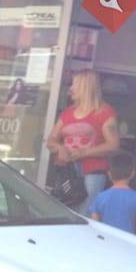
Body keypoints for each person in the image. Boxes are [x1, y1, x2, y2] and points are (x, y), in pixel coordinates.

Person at [46, 70, 119, 213]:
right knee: (63, 210)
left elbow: (113, 145)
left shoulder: (105, 112)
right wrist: (60, 148)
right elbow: (50, 141)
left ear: (86, 87)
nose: (71, 88)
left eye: (75, 84)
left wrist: (83, 153)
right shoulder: (68, 112)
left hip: (92, 171)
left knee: (85, 212)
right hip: (67, 170)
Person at [87, 150, 136, 240]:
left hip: (106, 242)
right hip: (127, 243)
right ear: (132, 173)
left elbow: (94, 224)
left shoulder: (100, 197)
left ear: (109, 174)